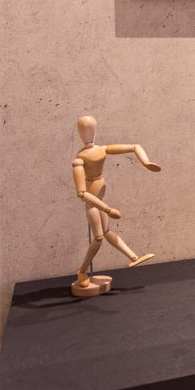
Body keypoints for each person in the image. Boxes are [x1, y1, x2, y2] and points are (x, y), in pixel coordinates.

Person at [71, 115, 162, 298]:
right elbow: (82, 193)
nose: (88, 134)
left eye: (91, 130)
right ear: (79, 133)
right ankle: (82, 271)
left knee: (107, 232)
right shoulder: (79, 161)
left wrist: (146, 162)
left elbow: (134, 146)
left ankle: (133, 257)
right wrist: (107, 209)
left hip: (100, 197)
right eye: (84, 131)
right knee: (98, 237)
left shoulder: (102, 150)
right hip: (93, 202)